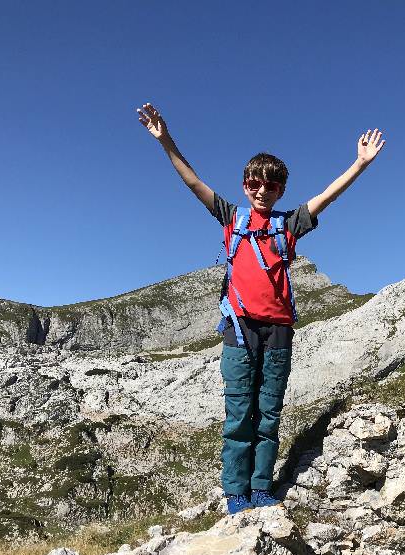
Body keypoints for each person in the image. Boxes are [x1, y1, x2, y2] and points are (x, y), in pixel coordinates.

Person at [136, 102, 385, 514]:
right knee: (239, 414)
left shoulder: (288, 225)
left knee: (269, 414)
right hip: (238, 328)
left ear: (281, 190)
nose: (262, 190)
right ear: (245, 184)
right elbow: (192, 181)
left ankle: (261, 488)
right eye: (255, 182)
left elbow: (327, 197)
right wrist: (167, 141)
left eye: (271, 185)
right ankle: (235, 492)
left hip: (279, 331)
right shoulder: (231, 217)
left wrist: (359, 164)